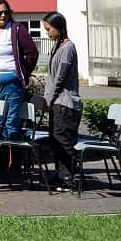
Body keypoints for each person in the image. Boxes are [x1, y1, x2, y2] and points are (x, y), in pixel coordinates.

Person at [0, 0, 39, 141]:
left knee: (11, 121)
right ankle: (1, 160)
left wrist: (21, 73)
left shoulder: (16, 29)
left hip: (12, 83)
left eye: (6, 12)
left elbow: (32, 53)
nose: (3, 15)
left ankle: (14, 161)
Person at [42, 11, 81, 192]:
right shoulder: (57, 47)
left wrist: (49, 99)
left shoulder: (67, 48)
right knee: (54, 140)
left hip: (65, 103)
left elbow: (60, 78)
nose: (47, 33)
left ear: (58, 27)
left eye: (49, 29)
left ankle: (71, 176)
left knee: (63, 140)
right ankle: (61, 174)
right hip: (57, 103)